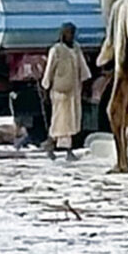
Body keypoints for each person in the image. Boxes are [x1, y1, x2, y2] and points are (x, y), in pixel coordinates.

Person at [40, 21, 91, 158]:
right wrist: (45, 87)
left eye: (73, 33)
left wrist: (85, 84)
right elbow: (49, 70)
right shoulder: (56, 50)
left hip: (73, 92)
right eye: (68, 33)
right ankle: (58, 148)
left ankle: (61, 148)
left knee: (71, 121)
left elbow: (82, 68)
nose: (71, 36)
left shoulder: (76, 48)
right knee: (60, 121)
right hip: (60, 92)